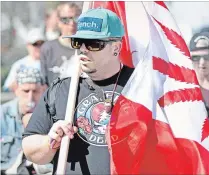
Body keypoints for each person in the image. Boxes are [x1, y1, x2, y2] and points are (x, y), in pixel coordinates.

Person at [22, 8, 134, 174]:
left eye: (93, 44)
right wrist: (51, 141)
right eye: (78, 42)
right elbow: (29, 147)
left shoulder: (140, 85)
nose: (83, 49)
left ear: (116, 48)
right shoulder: (62, 90)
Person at [1, 67, 53, 175]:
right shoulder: (2, 116)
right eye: (25, 91)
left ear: (44, 90)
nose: (30, 97)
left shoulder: (52, 115)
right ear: (16, 89)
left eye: (35, 91)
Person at [189, 32, 209, 150]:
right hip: (198, 158)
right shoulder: (184, 90)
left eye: (207, 57)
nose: (202, 62)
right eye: (196, 58)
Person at [40, 2, 82, 86]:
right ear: (58, 21)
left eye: (76, 18)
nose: (71, 23)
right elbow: (44, 84)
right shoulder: (48, 48)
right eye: (65, 19)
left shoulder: (89, 47)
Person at [3, 28, 45, 92]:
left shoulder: (51, 63)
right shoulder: (19, 65)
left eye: (41, 44)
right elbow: (7, 88)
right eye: (35, 44)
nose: (39, 47)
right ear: (28, 45)